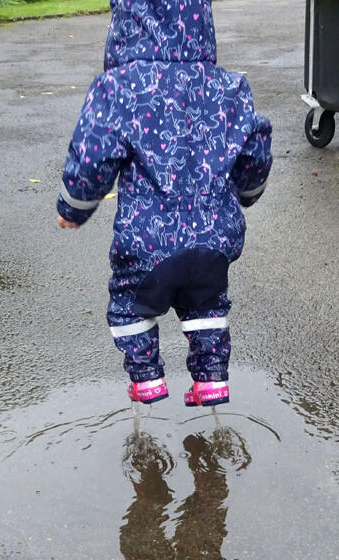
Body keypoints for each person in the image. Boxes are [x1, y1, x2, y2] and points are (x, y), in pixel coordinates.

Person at [57, 0, 272, 406]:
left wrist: (74, 207)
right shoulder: (229, 87)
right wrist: (248, 193)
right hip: (215, 239)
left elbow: (93, 153)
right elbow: (254, 150)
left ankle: (146, 378)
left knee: (129, 305)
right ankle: (211, 380)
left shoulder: (119, 87)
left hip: (147, 240)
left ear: (124, 23)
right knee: (207, 304)